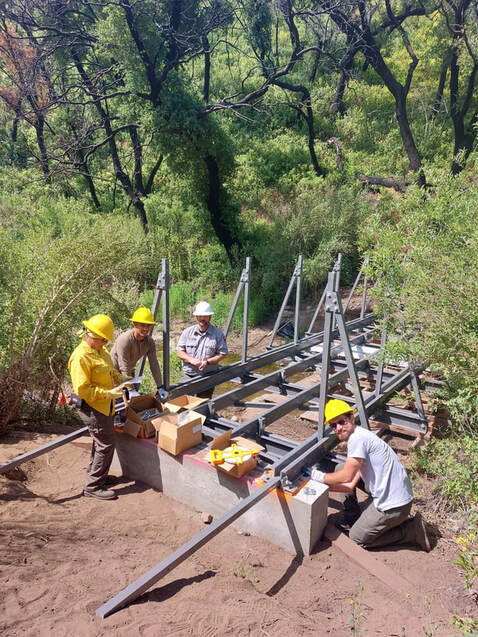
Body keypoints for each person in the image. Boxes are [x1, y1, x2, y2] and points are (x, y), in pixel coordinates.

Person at [310, 399, 431, 551]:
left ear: (351, 418)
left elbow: (346, 477)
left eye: (341, 422)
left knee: (356, 538)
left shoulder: (357, 439)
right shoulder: (360, 434)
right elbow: (349, 485)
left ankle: (410, 531)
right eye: (333, 425)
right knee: (341, 466)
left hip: (393, 507)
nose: (338, 428)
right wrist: (325, 487)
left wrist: (317, 477)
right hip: (399, 498)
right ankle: (352, 517)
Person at [68, 313, 126, 501]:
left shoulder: (101, 351)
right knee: (106, 443)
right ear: (92, 336)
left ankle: (97, 476)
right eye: (103, 340)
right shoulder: (81, 357)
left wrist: (121, 380)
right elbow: (83, 390)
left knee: (101, 442)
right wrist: (108, 393)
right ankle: (93, 486)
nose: (105, 343)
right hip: (93, 407)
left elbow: (109, 371)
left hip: (104, 406)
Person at [176, 301, 228, 399]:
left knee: (204, 404)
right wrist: (192, 360)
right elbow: (179, 351)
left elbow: (223, 353)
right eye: (199, 315)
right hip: (189, 375)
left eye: (204, 316)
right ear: (196, 317)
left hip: (208, 376)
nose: (201, 318)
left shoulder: (218, 334)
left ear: (210, 317)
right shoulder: (187, 332)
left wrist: (207, 362)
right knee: (184, 402)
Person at [110, 307, 163, 390]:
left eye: (148, 326)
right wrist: (131, 390)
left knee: (133, 401)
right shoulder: (125, 340)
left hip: (129, 372)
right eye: (142, 325)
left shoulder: (149, 342)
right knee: (120, 401)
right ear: (135, 324)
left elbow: (154, 364)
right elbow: (124, 366)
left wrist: (160, 386)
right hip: (114, 374)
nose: (145, 328)